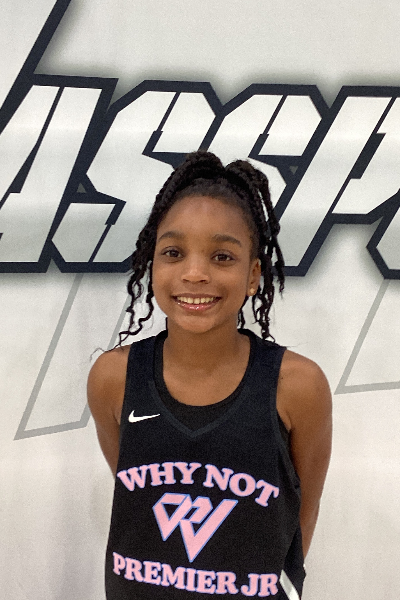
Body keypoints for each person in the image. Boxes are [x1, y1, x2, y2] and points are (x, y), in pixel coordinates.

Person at [87, 150, 332, 599]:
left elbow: (302, 512)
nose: (195, 273)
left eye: (221, 256)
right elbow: (134, 486)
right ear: (152, 263)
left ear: (253, 275)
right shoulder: (113, 377)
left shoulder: (298, 387)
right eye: (173, 252)